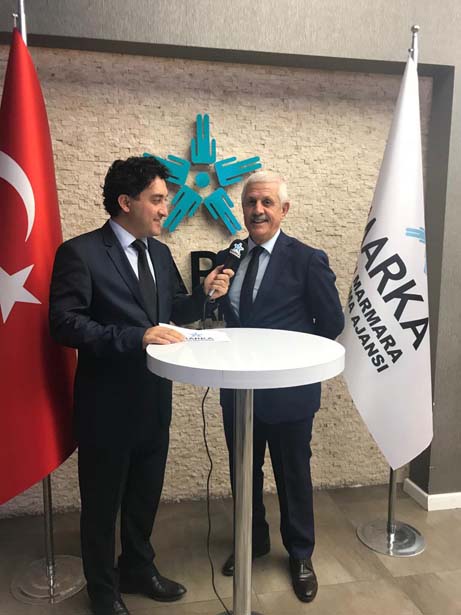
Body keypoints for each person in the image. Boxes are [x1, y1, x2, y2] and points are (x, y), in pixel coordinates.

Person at [49, 156, 233, 615]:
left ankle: (137, 567)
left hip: (154, 398)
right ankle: (102, 590)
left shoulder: (160, 253)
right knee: (101, 504)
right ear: (125, 202)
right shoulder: (80, 253)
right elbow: (65, 324)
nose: (165, 208)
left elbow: (172, 312)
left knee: (144, 494)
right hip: (105, 404)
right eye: (157, 199)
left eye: (165, 199)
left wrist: (205, 293)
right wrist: (136, 337)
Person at [215, 171, 344, 603]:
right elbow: (224, 317)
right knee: (243, 471)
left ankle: (301, 554)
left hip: (289, 394)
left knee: (293, 475)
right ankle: (251, 541)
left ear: (283, 210)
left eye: (267, 202)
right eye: (250, 202)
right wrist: (210, 295)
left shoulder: (307, 259)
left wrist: (292, 361)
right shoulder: (230, 256)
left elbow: (331, 323)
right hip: (238, 391)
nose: (257, 210)